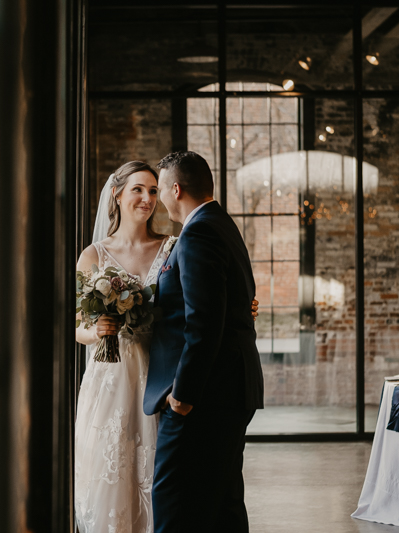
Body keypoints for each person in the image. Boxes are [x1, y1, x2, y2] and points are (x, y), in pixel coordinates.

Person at [74, 160, 259, 533]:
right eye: (138, 190)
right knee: (115, 477)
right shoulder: (93, 255)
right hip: (112, 378)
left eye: (154, 190)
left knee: (167, 482)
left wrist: (241, 304)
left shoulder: (174, 245)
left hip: (160, 375)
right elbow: (78, 326)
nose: (147, 198)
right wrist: (99, 330)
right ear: (117, 194)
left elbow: (198, 300)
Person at [144, 151, 264, 533]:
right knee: (222, 504)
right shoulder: (221, 224)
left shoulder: (198, 233)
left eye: (161, 189)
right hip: (229, 390)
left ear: (176, 189)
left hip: (204, 398)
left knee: (174, 504)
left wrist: (183, 396)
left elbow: (204, 322)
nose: (159, 198)